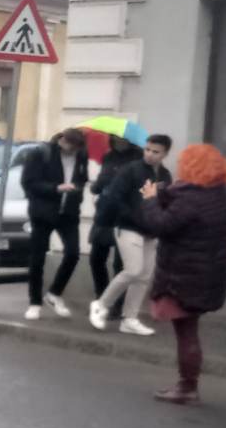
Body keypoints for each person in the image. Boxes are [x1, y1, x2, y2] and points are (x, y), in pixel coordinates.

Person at [134, 144, 226, 405]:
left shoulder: (191, 198)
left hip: (184, 278)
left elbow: (161, 225)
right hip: (206, 277)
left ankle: (187, 387)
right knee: (189, 329)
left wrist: (149, 200)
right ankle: (187, 385)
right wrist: (162, 194)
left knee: (186, 332)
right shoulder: (215, 195)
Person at [91, 135, 172, 335]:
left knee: (144, 276)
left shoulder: (165, 175)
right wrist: (135, 215)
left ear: (165, 154)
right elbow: (115, 198)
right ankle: (101, 304)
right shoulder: (131, 170)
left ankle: (130, 319)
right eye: (148, 150)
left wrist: (160, 221)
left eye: (156, 151)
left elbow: (166, 201)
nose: (150, 155)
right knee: (134, 270)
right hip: (128, 227)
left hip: (151, 231)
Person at [19, 128, 89, 321]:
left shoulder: (81, 155)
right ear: (62, 140)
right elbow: (28, 183)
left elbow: (82, 178)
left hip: (68, 213)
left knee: (73, 253)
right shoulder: (41, 154)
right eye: (70, 146)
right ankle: (34, 302)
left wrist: (78, 191)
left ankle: (54, 293)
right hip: (43, 212)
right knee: (37, 258)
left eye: (77, 148)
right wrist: (55, 188)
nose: (73, 151)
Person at [87, 140, 141, 295]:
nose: (118, 140)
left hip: (125, 215)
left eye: (121, 137)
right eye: (115, 137)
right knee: (96, 258)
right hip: (105, 212)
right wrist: (97, 185)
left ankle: (117, 302)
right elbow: (98, 184)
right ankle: (101, 295)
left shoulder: (138, 157)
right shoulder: (108, 156)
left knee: (121, 264)